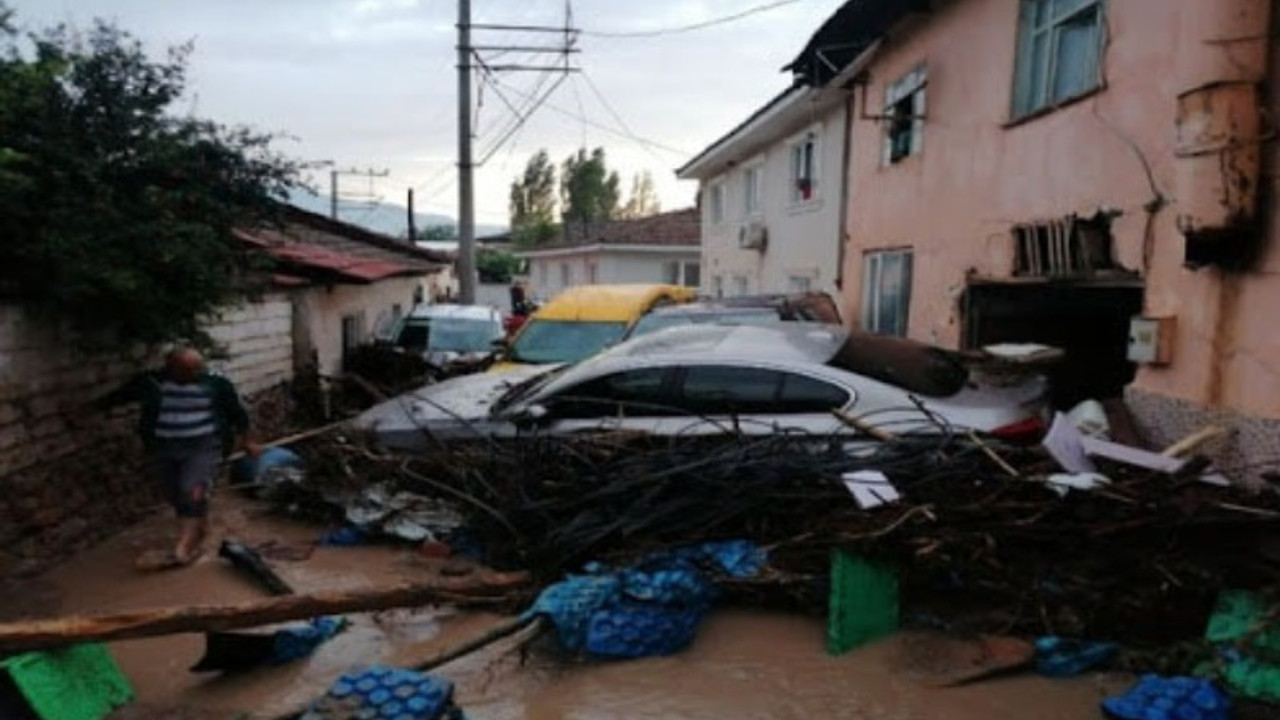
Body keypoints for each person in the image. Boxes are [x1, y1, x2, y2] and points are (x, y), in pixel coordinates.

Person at [93, 347, 261, 567]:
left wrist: (248, 441)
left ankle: (184, 547)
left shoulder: (216, 384)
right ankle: (201, 525)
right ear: (171, 368)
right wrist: (85, 410)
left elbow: (238, 414)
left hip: (205, 446)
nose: (197, 373)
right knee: (173, 493)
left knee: (192, 489)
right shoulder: (151, 383)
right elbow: (118, 397)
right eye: (189, 370)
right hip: (165, 448)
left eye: (198, 368)